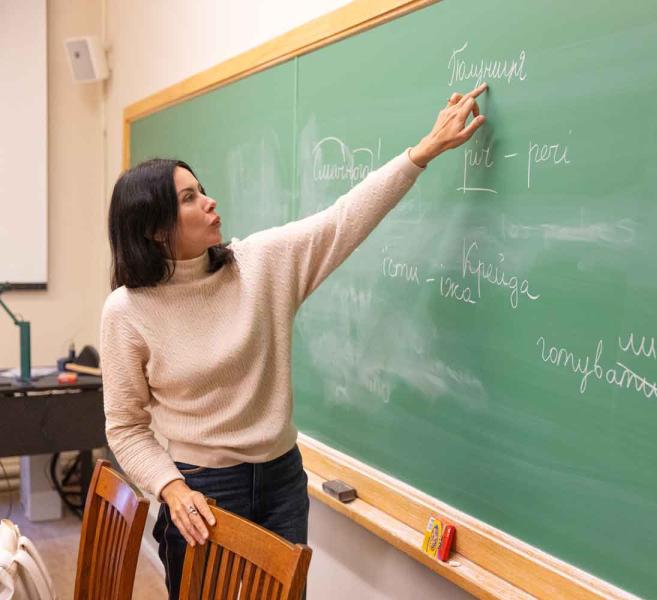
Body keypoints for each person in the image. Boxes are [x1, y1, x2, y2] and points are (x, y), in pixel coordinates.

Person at [100, 83, 488, 597]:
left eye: (202, 188)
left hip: (282, 480)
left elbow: (344, 219)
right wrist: (170, 487)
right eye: (190, 197)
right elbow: (126, 427)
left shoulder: (259, 264)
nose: (210, 201)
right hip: (202, 492)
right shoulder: (127, 311)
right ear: (153, 228)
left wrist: (423, 151)